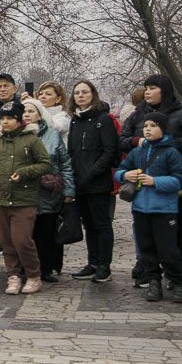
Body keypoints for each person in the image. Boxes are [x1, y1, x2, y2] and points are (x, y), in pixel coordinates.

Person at [120, 74, 182, 281]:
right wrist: (137, 141)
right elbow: (123, 139)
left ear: (164, 90)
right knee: (144, 229)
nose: (147, 91)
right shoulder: (139, 113)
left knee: (177, 227)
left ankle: (177, 272)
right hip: (143, 182)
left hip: (172, 177)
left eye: (152, 87)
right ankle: (148, 268)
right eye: (145, 87)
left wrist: (164, 143)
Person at [0, 102, 52, 296]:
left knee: (22, 240)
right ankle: (13, 276)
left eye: (9, 118)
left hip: (24, 199)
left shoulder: (31, 140)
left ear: (19, 120)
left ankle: (34, 275)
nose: (5, 122)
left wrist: (26, 172)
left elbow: (45, 164)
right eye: (2, 119)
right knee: (7, 242)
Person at [116, 113, 182, 303]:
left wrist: (154, 181)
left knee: (167, 250)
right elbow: (119, 171)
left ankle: (178, 282)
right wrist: (126, 175)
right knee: (146, 249)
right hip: (140, 208)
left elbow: (180, 180)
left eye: (153, 125)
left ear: (163, 129)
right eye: (145, 126)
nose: (148, 129)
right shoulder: (137, 152)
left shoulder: (171, 152)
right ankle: (153, 282)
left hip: (164, 209)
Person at [66, 80, 119, 283]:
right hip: (79, 183)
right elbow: (71, 150)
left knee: (102, 224)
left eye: (85, 92)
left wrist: (93, 172)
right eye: (77, 92)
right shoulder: (75, 120)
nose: (80, 95)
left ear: (93, 94)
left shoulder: (104, 120)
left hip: (97, 182)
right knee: (89, 225)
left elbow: (110, 151)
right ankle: (93, 262)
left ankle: (104, 265)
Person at [22, 98, 75, 283]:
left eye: (31, 111)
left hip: (49, 192)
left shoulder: (53, 135)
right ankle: (27, 269)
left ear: (39, 113)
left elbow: (65, 163)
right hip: (24, 193)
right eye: (24, 111)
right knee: (27, 234)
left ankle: (46, 269)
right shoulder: (16, 134)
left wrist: (69, 190)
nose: (27, 115)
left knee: (47, 233)